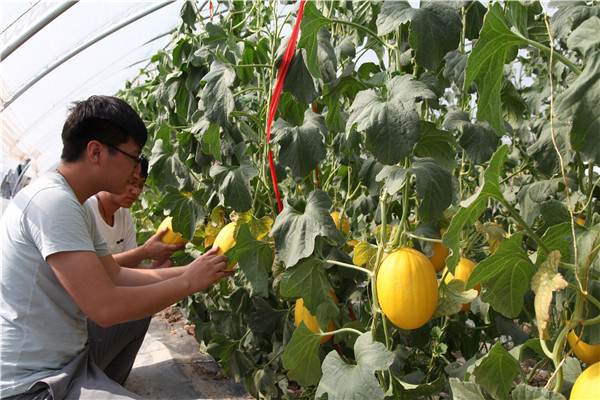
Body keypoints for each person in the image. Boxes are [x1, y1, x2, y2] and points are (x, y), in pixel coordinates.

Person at [0, 95, 233, 400]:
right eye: (133, 156)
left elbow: (116, 275)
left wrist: (190, 271)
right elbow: (106, 308)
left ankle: (106, 387)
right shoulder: (52, 202)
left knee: (137, 313)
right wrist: (188, 283)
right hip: (34, 385)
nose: (136, 168)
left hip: (71, 356)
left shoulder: (74, 203)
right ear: (96, 151)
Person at [85, 157, 185, 269]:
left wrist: (156, 267)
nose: (136, 191)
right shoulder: (86, 209)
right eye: (131, 182)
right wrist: (145, 252)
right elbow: (88, 266)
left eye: (141, 185)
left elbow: (132, 267)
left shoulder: (124, 214)